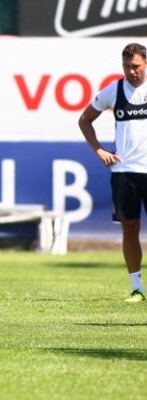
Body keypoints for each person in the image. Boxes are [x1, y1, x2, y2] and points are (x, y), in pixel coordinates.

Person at [79, 42, 147, 303]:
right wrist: (99, 150)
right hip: (124, 171)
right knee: (130, 228)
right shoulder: (114, 91)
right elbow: (85, 119)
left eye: (136, 66)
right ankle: (137, 288)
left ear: (145, 64)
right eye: (127, 66)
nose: (131, 71)